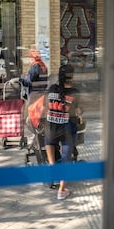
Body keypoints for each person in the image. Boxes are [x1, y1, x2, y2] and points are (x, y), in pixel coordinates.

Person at [44, 64, 83, 200]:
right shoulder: (75, 92)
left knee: (52, 158)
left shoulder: (51, 89)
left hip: (50, 129)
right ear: (72, 77)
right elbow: (77, 110)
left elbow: (45, 106)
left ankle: (52, 168)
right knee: (66, 160)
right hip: (66, 129)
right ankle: (61, 191)